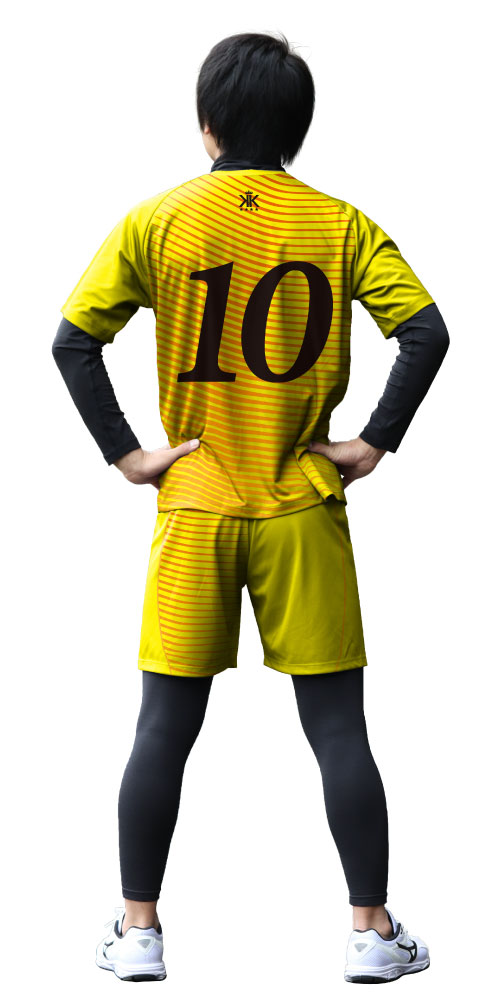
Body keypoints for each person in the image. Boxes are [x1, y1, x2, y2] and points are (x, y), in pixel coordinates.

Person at [52, 30, 449, 985]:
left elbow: (72, 341)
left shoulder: (156, 220)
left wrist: (129, 457)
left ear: (207, 126)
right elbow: (428, 333)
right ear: (299, 131)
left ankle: (139, 933)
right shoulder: (340, 225)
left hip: (194, 505)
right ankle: (370, 933)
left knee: (162, 727)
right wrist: (372, 442)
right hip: (301, 501)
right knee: (340, 730)